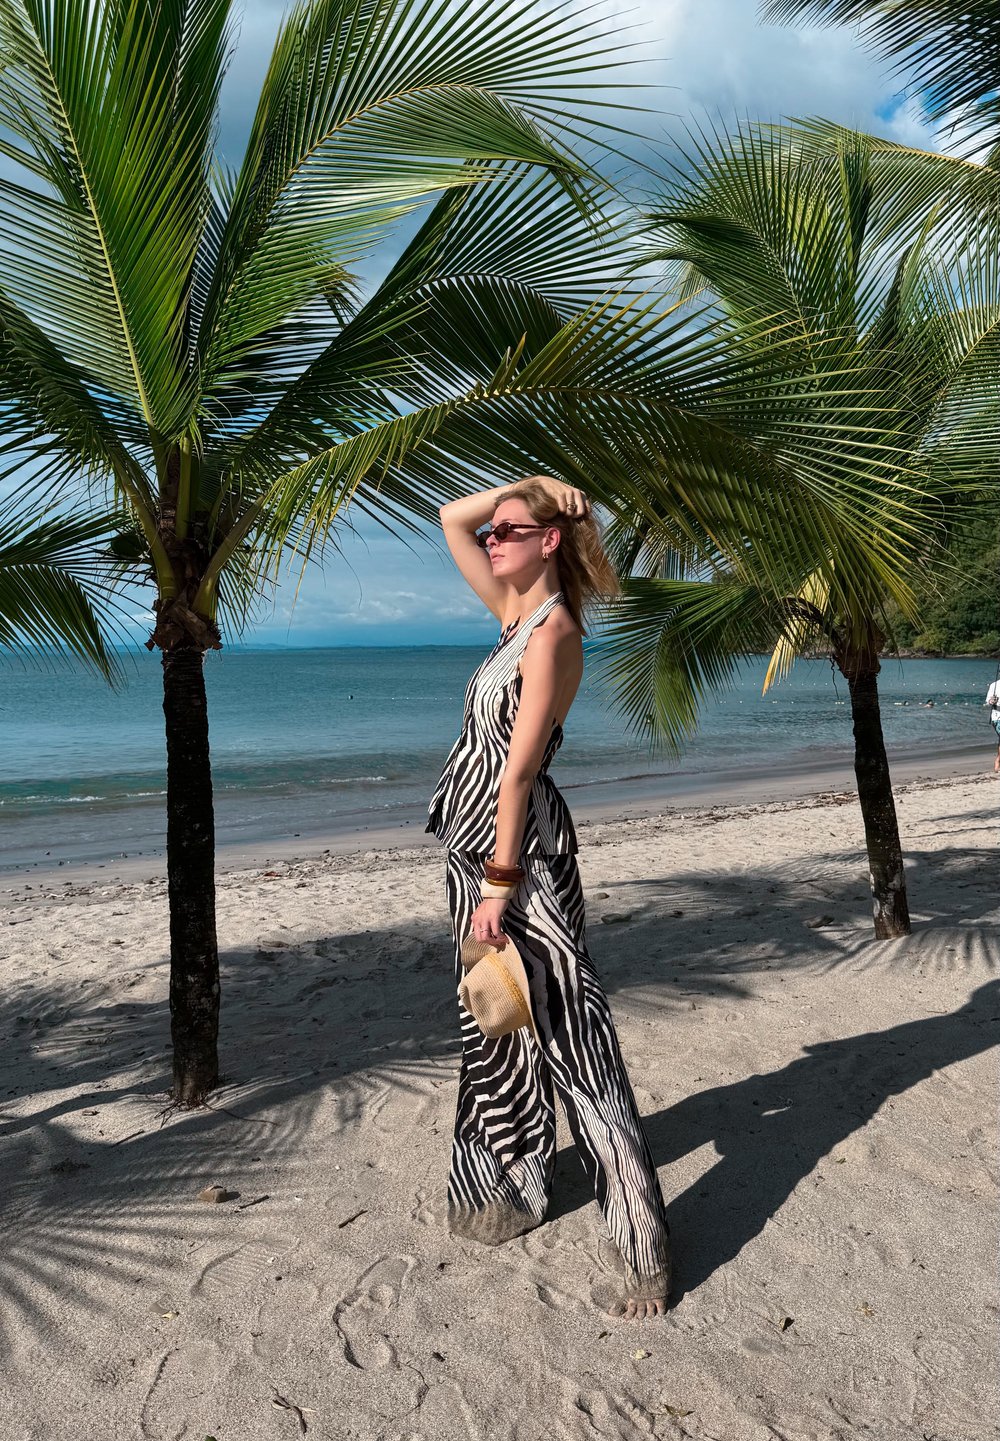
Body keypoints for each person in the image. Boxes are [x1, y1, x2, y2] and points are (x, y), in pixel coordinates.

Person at [426, 474, 672, 1319]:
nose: (492, 538)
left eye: (511, 530)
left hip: (518, 863)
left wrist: (499, 884)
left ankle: (642, 1253)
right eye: (495, 533)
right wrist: (526, 486)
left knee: (575, 1039)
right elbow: (448, 517)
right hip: (473, 856)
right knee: (496, 1024)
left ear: (550, 542)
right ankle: (506, 1189)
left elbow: (519, 771)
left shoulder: (554, 632)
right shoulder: (512, 614)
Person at [986, 673, 1000, 773]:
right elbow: (988, 701)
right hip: (997, 716)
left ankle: (998, 760)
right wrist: (992, 700)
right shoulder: (994, 685)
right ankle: (998, 761)